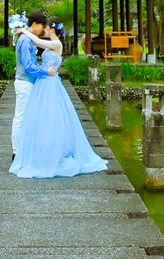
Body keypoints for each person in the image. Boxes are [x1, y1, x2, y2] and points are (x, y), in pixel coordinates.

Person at [9, 16, 107, 178]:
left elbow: (38, 43)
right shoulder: (43, 42)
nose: (43, 30)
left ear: (52, 29)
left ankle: (48, 152)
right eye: (43, 26)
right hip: (42, 81)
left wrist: (22, 31)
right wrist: (23, 32)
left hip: (49, 83)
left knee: (49, 118)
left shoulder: (56, 44)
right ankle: (35, 151)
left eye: (46, 27)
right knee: (38, 118)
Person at [11, 11, 55, 161]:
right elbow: (29, 65)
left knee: (25, 117)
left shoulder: (28, 39)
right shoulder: (24, 40)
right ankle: (16, 152)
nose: (42, 30)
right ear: (35, 24)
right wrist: (45, 71)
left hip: (28, 82)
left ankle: (23, 149)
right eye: (41, 26)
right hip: (24, 82)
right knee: (20, 117)